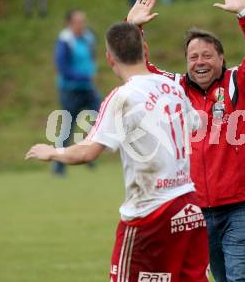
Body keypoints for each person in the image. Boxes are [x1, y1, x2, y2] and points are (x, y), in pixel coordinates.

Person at [26, 19, 209, 281]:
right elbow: (197, 123)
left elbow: (88, 152)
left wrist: (52, 152)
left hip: (150, 212)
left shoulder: (123, 97)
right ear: (145, 49)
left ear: (109, 58)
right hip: (189, 207)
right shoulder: (173, 88)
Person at [126, 0, 245, 282]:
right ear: (185, 63)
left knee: (240, 279)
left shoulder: (239, 83)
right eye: (193, 57)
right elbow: (139, 70)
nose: (200, 62)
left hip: (242, 206)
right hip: (195, 209)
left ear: (221, 59)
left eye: (207, 55)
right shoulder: (175, 88)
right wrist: (133, 29)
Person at [53, 10, 101, 175]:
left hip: (88, 88)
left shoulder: (88, 37)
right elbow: (62, 67)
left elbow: (92, 57)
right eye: (78, 21)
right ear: (69, 23)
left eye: (83, 21)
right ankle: (59, 164)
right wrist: (83, 75)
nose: (81, 25)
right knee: (67, 126)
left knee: (99, 119)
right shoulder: (65, 40)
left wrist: (92, 71)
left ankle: (87, 155)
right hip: (70, 89)